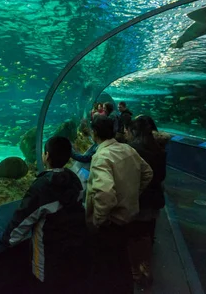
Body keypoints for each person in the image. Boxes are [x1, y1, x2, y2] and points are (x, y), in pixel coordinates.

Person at [0, 136, 87, 292]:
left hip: (50, 258)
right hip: (76, 249)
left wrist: (6, 237)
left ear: (46, 156)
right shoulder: (74, 178)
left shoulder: (42, 186)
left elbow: (23, 220)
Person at [86, 115, 154, 293]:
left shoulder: (100, 157)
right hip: (128, 219)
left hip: (111, 224)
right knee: (122, 263)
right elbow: (148, 173)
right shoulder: (127, 149)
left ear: (94, 134)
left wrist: (99, 220)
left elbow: (105, 194)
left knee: (107, 269)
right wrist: (131, 195)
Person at [124, 116, 167, 290]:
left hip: (138, 199)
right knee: (147, 235)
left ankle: (135, 271)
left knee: (133, 236)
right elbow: (162, 176)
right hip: (154, 199)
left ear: (134, 131)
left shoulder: (132, 150)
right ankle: (146, 267)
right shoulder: (159, 149)